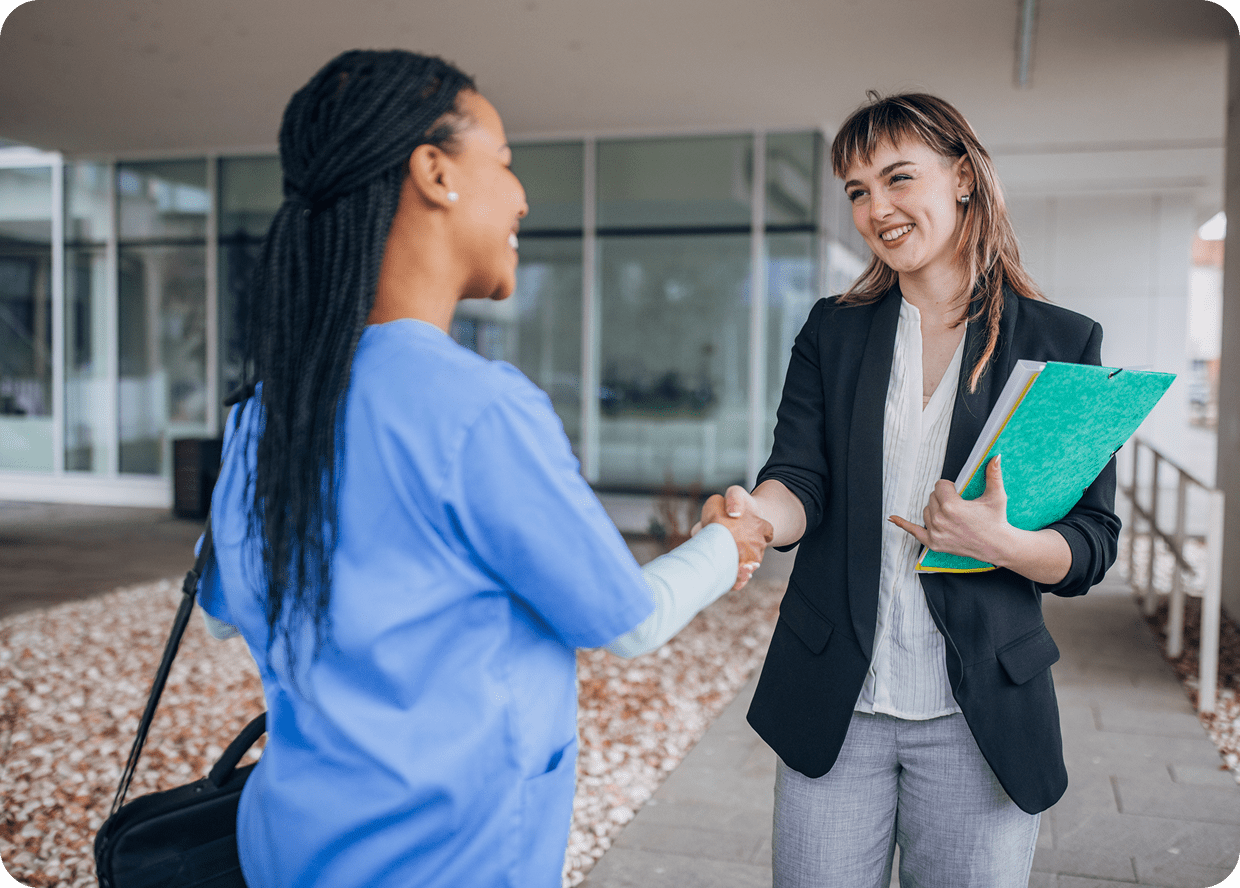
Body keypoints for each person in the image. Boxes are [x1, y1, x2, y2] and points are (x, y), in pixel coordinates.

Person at [195, 49, 772, 888]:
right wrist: (729, 543)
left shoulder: (260, 414)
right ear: (434, 172)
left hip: (285, 848)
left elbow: (224, 614)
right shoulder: (476, 409)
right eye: (502, 164)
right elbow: (628, 620)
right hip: (447, 861)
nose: (522, 197)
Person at [701, 92, 1121, 887]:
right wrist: (755, 516)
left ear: (962, 178)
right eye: (857, 191)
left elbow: (1092, 543)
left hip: (981, 716)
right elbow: (798, 478)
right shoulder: (834, 330)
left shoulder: (1060, 343)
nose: (876, 209)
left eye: (898, 179)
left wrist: (999, 543)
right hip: (838, 704)